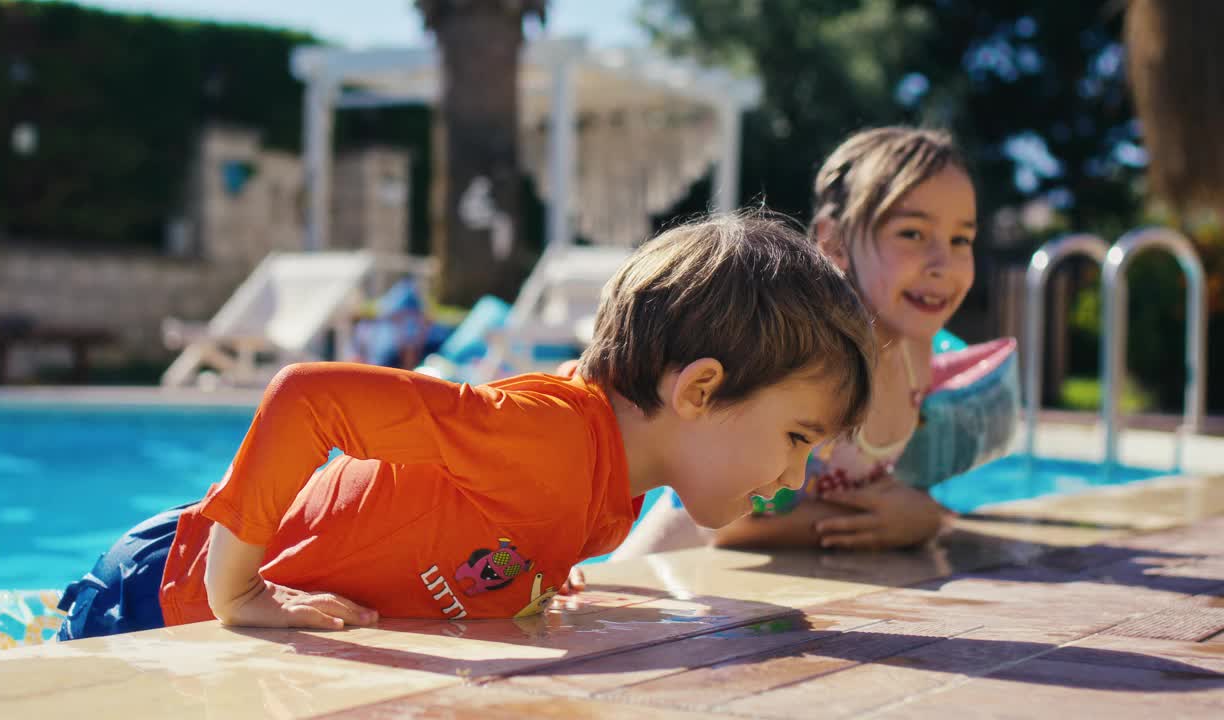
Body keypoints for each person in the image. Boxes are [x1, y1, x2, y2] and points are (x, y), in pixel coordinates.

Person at [55, 209, 876, 639]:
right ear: (699, 390)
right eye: (797, 438)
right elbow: (308, 397)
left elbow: (477, 514)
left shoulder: (617, 479)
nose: (797, 477)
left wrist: (536, 574)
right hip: (155, 594)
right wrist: (236, 591)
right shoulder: (542, 437)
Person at [611, 126, 978, 559]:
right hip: (669, 568)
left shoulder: (919, 351)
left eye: (961, 240)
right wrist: (910, 522)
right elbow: (732, 523)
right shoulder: (811, 365)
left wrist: (918, 509)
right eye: (913, 234)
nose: (943, 263)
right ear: (834, 241)